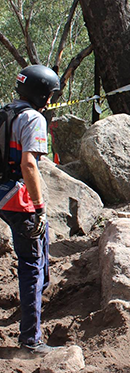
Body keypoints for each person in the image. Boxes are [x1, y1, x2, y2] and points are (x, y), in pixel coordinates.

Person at [2, 65, 59, 355]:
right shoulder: (33, 118)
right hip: (18, 197)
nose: (50, 100)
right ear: (42, 94)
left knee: (39, 253)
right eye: (50, 95)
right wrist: (39, 207)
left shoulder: (5, 111)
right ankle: (31, 341)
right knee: (32, 265)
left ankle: (33, 305)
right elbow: (28, 165)